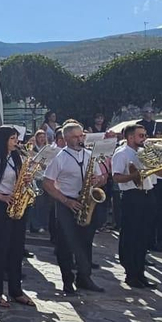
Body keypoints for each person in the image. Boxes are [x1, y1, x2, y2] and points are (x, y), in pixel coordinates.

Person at [43, 122, 105, 295]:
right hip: (67, 203)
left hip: (86, 201)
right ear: (66, 139)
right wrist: (66, 201)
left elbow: (102, 178)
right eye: (76, 137)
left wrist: (97, 180)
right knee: (66, 244)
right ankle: (67, 281)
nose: (80, 139)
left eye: (81, 136)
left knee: (86, 242)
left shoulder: (90, 155)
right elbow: (47, 183)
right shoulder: (59, 158)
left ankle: (84, 277)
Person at [0, 126, 34, 307]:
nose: (16, 142)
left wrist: (25, 180)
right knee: (1, 251)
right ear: (3, 140)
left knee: (17, 250)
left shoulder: (17, 157)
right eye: (12, 138)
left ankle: (16, 290)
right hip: (1, 207)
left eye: (16, 138)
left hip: (17, 205)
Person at [111, 124, 156, 289]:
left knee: (144, 236)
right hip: (132, 196)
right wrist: (134, 175)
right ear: (130, 137)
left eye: (144, 135)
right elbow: (116, 177)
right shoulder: (121, 153)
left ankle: (140, 272)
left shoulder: (144, 152)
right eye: (141, 135)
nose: (144, 138)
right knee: (131, 236)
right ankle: (131, 273)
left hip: (148, 193)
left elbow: (161, 173)